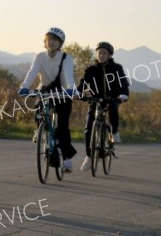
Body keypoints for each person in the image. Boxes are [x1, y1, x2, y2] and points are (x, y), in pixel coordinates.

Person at [18, 27, 78, 172]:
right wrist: (24, 86)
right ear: (45, 42)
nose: (51, 42)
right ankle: (39, 130)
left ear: (60, 43)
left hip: (63, 93)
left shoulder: (66, 58)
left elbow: (68, 75)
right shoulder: (39, 56)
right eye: (48, 39)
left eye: (55, 40)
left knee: (62, 127)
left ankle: (67, 159)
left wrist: (71, 88)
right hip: (45, 90)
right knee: (39, 110)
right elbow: (33, 71)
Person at [77, 41, 129, 172]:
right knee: (88, 128)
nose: (101, 55)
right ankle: (89, 156)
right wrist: (78, 92)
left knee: (113, 107)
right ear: (96, 54)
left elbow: (123, 82)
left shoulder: (117, 68)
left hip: (113, 98)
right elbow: (84, 83)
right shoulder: (91, 69)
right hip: (95, 100)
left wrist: (123, 94)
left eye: (104, 53)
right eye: (99, 52)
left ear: (109, 55)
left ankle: (114, 132)